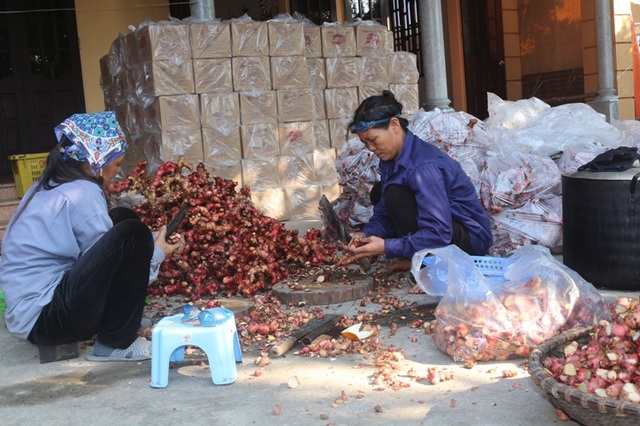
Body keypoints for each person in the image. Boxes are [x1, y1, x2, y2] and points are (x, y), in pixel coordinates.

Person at [0, 112, 183, 362]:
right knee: (132, 233)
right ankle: (115, 343)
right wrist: (157, 253)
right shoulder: (82, 192)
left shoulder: (50, 184)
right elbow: (113, 266)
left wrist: (149, 246)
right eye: (117, 165)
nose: (117, 175)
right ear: (93, 163)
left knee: (122, 219)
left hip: (36, 314)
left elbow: (100, 253)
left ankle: (118, 323)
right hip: (45, 320)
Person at [346, 91, 493, 270]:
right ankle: (420, 255)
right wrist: (365, 233)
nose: (370, 148)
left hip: (468, 241)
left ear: (394, 125)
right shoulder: (390, 160)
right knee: (380, 192)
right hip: (444, 230)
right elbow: (384, 213)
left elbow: (439, 232)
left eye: (373, 140)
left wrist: (386, 247)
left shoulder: (422, 168)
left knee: (395, 193)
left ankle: (429, 262)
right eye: (364, 143)